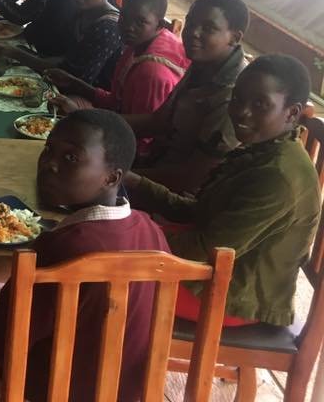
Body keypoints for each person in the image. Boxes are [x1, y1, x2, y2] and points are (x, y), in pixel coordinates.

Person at [0, 109, 170, 402]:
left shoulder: (64, 246)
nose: (49, 163)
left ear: (111, 177)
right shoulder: (151, 231)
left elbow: (1, 341)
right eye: (49, 149)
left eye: (71, 158)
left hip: (47, 393)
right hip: (124, 392)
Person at [126, 55, 319, 327]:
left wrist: (131, 234)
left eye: (260, 104)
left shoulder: (277, 176)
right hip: (216, 267)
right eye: (237, 99)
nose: (242, 112)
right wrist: (136, 183)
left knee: (106, 265)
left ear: (292, 113)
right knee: (116, 230)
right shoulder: (264, 150)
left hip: (230, 297)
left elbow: (202, 249)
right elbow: (201, 212)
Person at [126, 0, 249, 192]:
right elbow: (159, 121)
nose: (193, 32)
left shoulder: (234, 95)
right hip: (154, 167)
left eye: (208, 28)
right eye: (190, 23)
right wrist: (97, 120)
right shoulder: (205, 63)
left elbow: (192, 179)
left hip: (177, 196)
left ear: (235, 38)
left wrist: (119, 175)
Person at [46, 0, 189, 153]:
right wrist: (74, 83)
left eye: (140, 22)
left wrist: (80, 114)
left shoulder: (152, 72)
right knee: (60, 104)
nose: (128, 26)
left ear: (160, 25)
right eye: (124, 17)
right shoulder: (138, 43)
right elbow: (117, 101)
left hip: (136, 150)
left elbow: (143, 137)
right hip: (120, 122)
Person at [0, 0, 123, 88]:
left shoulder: (108, 27)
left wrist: (16, 54)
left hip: (88, 94)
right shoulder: (83, 10)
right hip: (64, 81)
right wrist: (20, 53)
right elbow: (66, 59)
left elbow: (73, 77)